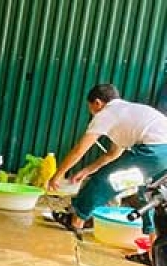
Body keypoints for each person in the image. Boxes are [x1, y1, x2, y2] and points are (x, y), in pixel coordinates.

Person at [50, 83, 167, 238]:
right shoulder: (128, 113)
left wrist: (58, 175)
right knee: (146, 196)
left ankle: (76, 221)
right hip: (161, 155)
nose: (92, 113)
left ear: (97, 103)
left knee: (104, 180)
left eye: (90, 108)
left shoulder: (106, 113)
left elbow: (79, 150)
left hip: (152, 153)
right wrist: (87, 170)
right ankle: (152, 249)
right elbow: (112, 154)